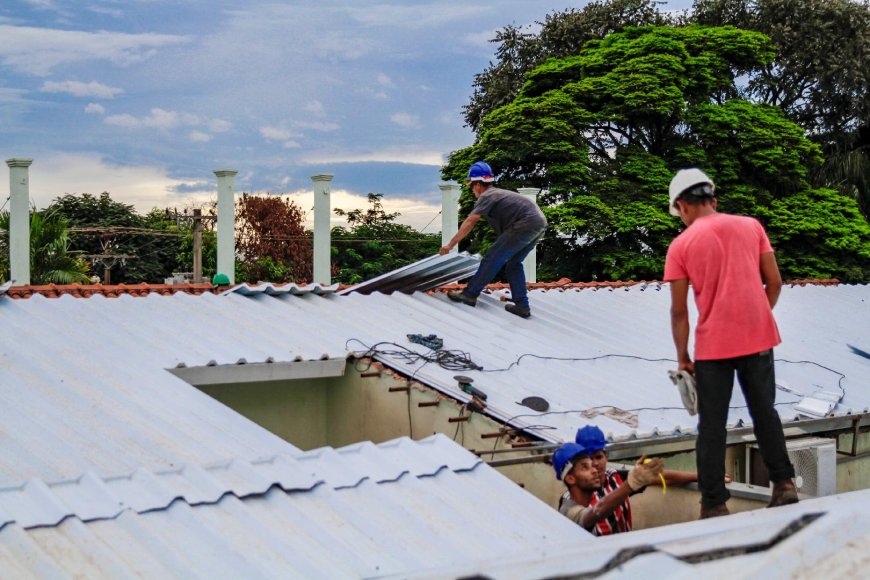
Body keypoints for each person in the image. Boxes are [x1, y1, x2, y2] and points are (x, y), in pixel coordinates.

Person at [663, 168, 798, 519]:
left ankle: (714, 504)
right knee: (764, 412)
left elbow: (679, 311)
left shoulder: (681, 245)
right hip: (758, 338)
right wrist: (756, 316)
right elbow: (775, 282)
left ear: (682, 206)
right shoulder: (751, 226)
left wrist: (683, 358)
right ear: (713, 199)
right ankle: (784, 485)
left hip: (713, 347)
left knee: (711, 424)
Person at [439, 161, 547, 318]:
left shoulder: (487, 195)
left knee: (492, 257)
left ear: (477, 184)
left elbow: (470, 222)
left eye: (471, 186)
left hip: (526, 223)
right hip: (539, 224)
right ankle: (522, 306)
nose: (472, 190)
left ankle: (469, 294)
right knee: (513, 264)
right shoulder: (498, 195)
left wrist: (450, 245)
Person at [561, 425, 702, 535]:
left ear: (606, 457)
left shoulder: (615, 478)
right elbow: (592, 516)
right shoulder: (571, 500)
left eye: (598, 457)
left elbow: (662, 477)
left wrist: (700, 476)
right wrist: (630, 485)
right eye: (589, 460)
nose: (595, 464)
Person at [552, 441, 664, 536]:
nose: (594, 470)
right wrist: (631, 483)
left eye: (591, 465)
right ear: (570, 479)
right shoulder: (568, 512)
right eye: (585, 467)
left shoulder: (612, 479)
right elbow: (597, 511)